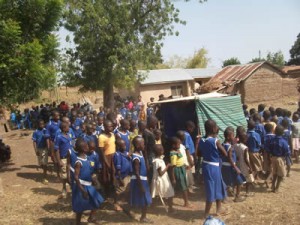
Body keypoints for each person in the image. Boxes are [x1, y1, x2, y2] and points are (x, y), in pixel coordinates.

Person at [198, 119, 228, 218]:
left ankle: (217, 210)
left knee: (214, 186)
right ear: (214, 129)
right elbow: (225, 153)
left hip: (206, 165)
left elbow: (199, 154)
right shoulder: (216, 140)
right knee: (213, 188)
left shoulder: (201, 140)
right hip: (214, 167)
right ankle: (206, 213)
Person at [72, 138, 104, 225]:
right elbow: (76, 177)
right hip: (81, 186)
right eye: (86, 146)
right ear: (83, 148)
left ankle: (91, 217)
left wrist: (93, 180)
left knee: (97, 200)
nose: (88, 147)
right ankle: (77, 223)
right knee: (80, 207)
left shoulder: (87, 158)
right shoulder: (78, 162)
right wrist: (82, 190)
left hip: (89, 185)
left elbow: (88, 171)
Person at [130, 136, 152, 223]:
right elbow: (137, 173)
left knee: (145, 200)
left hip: (143, 180)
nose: (144, 145)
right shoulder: (136, 158)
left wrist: (145, 154)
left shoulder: (141, 154)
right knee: (144, 200)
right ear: (137, 145)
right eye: (142, 143)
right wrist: (141, 186)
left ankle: (143, 216)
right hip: (139, 180)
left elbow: (147, 168)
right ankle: (143, 217)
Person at [221, 127, 245, 202]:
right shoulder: (230, 147)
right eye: (232, 135)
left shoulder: (222, 144)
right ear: (228, 137)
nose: (234, 137)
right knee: (239, 181)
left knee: (226, 182)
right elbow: (230, 158)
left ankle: (225, 197)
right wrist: (236, 167)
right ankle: (237, 197)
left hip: (224, 166)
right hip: (230, 166)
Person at [151, 144, 174, 213]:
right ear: (160, 151)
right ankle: (170, 208)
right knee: (170, 193)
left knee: (156, 194)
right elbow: (160, 173)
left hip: (161, 179)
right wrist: (167, 166)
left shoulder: (158, 160)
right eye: (162, 149)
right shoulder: (158, 161)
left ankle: (152, 207)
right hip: (161, 180)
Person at [169, 137, 191, 208]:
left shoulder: (177, 151)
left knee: (184, 185)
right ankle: (186, 203)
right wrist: (173, 178)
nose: (180, 145)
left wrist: (184, 165)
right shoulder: (173, 154)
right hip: (177, 170)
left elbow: (180, 159)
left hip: (181, 169)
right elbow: (173, 166)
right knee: (183, 187)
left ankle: (185, 201)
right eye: (178, 144)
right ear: (173, 145)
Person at [54, 122, 73, 198]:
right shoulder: (59, 137)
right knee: (65, 176)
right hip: (64, 159)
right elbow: (57, 150)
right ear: (64, 128)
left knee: (71, 175)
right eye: (68, 127)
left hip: (71, 158)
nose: (69, 128)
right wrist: (59, 161)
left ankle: (71, 190)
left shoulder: (69, 135)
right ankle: (64, 190)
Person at [269, 125, 291, 193]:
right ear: (283, 133)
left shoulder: (272, 140)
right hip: (280, 159)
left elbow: (269, 148)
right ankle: (277, 188)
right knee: (281, 174)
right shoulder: (284, 142)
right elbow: (287, 151)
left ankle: (273, 186)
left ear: (275, 132)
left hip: (273, 158)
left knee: (275, 173)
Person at [98, 120, 116, 198]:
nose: (111, 127)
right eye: (109, 126)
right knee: (106, 176)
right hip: (106, 157)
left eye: (112, 126)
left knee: (113, 175)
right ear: (105, 127)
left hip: (114, 157)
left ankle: (112, 192)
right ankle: (106, 193)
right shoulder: (101, 137)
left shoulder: (112, 134)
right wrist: (107, 163)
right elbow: (101, 152)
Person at [113, 139, 132, 211]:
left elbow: (130, 156)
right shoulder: (117, 155)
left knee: (126, 190)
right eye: (122, 145)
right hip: (121, 176)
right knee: (119, 191)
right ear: (118, 146)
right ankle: (116, 204)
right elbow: (118, 169)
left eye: (125, 145)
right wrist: (120, 179)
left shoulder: (126, 153)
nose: (124, 146)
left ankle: (122, 202)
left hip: (127, 175)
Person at [235, 132, 254, 196]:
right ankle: (247, 192)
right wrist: (250, 167)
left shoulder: (235, 145)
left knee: (239, 179)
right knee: (248, 179)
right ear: (245, 140)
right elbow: (246, 159)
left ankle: (237, 193)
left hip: (238, 165)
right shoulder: (245, 148)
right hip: (244, 165)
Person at [32, 120, 50, 184]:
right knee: (41, 163)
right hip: (39, 149)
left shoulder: (45, 130)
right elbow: (34, 142)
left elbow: (47, 139)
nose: (42, 125)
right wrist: (36, 150)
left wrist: (48, 148)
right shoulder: (35, 132)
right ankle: (44, 169)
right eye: (40, 124)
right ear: (38, 125)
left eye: (43, 124)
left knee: (45, 163)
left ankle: (44, 177)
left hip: (45, 149)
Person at [46, 110, 61, 177]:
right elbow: (47, 137)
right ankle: (57, 173)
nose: (58, 117)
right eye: (56, 116)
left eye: (59, 115)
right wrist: (49, 147)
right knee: (55, 158)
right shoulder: (49, 125)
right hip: (53, 143)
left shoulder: (60, 123)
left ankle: (61, 172)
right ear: (53, 116)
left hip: (61, 142)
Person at [263, 123, 275, 187]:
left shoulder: (264, 136)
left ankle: (270, 179)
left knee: (268, 167)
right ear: (272, 129)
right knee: (273, 169)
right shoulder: (273, 136)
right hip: (271, 153)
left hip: (265, 152)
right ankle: (267, 180)